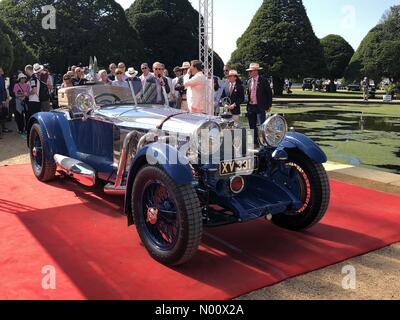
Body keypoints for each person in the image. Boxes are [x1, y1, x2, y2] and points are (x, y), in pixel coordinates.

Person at [246, 63, 273, 144]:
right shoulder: (249, 81)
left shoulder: (263, 80)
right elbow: (248, 93)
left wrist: (269, 105)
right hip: (251, 107)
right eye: (249, 71)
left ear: (256, 71)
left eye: (251, 71)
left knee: (262, 125)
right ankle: (254, 143)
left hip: (260, 106)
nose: (249, 73)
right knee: (252, 126)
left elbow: (269, 94)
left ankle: (263, 142)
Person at [0, 66, 11, 138]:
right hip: (1, 100)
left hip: (3, 100)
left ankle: (3, 129)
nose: (2, 71)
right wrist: (1, 101)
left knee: (3, 115)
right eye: (1, 70)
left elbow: (3, 90)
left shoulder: (2, 78)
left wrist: (6, 99)